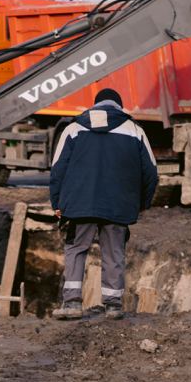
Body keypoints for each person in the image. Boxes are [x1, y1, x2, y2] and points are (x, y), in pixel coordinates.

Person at [49, 87, 158, 320]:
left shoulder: (73, 129)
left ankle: (71, 304)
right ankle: (113, 306)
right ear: (119, 106)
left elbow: (57, 169)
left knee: (76, 250)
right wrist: (141, 203)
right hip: (119, 205)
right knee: (114, 253)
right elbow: (151, 173)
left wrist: (57, 203)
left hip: (80, 204)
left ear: (95, 105)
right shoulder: (135, 131)